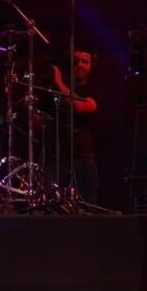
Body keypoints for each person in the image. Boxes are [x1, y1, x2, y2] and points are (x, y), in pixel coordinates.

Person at [49, 50, 100, 204]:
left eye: (85, 61)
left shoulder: (93, 90)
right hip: (58, 158)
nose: (79, 65)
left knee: (86, 206)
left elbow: (81, 107)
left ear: (91, 66)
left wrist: (59, 83)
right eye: (76, 61)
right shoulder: (56, 91)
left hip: (82, 158)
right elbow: (44, 125)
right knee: (54, 205)